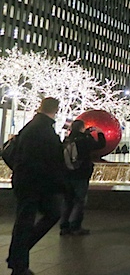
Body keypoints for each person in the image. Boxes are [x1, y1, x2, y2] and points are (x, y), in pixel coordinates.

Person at [7, 97, 64, 275]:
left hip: (26, 181)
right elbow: (51, 160)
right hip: (36, 183)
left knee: (27, 220)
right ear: (55, 109)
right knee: (34, 219)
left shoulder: (31, 127)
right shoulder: (44, 130)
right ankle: (19, 261)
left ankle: (18, 255)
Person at [59, 120, 106, 236]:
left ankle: (64, 227)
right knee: (80, 200)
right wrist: (99, 133)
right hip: (81, 174)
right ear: (82, 128)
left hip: (67, 174)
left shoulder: (67, 140)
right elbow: (100, 145)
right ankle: (75, 226)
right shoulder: (84, 140)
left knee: (68, 201)